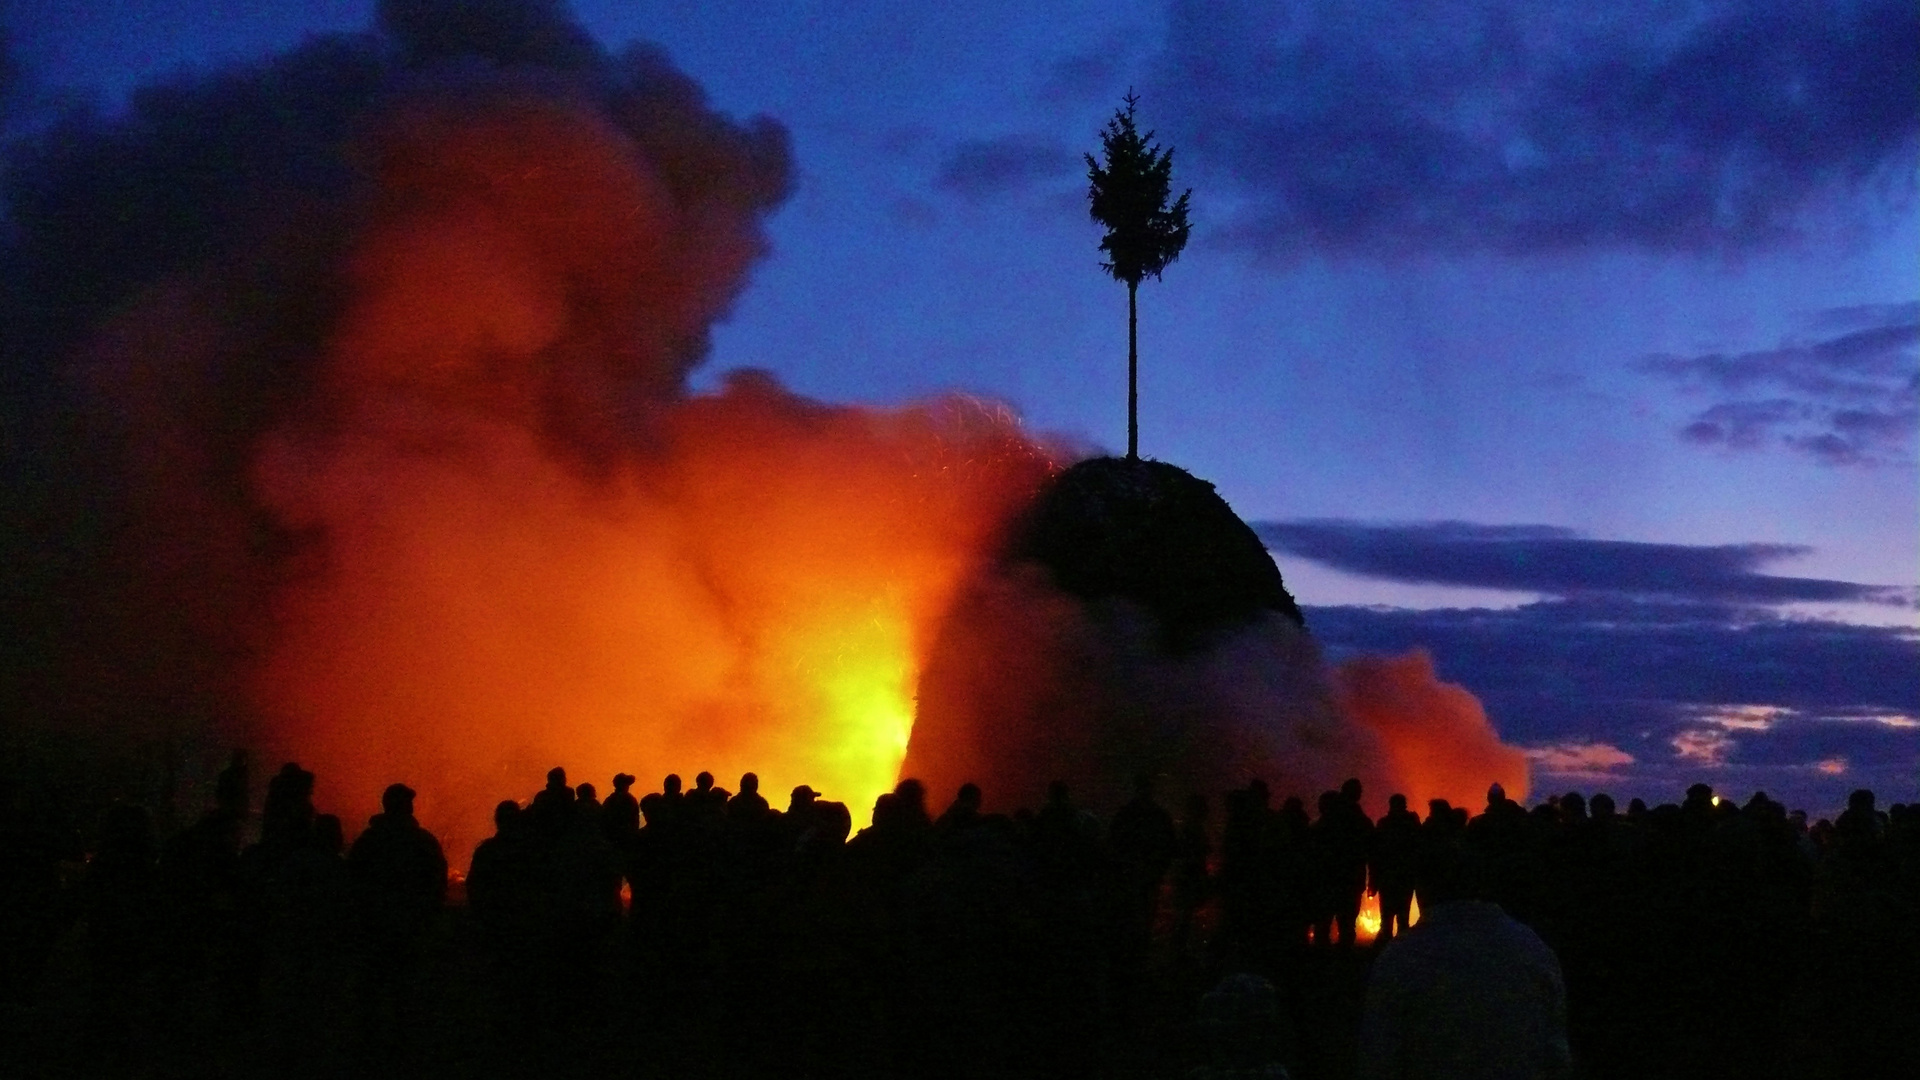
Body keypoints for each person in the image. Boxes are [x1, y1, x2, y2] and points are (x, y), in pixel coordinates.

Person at [1357, 842, 1571, 1080]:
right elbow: (1557, 1049)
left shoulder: (1402, 956)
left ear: (1423, 890)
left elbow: (1378, 1054)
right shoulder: (1533, 948)